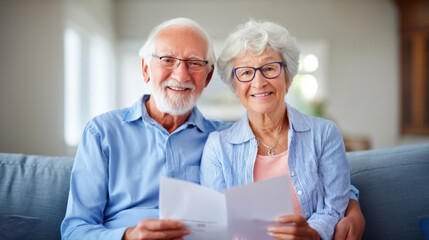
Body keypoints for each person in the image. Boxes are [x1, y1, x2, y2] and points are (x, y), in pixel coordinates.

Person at [61, 17, 364, 240]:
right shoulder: (102, 133)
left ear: (207, 79)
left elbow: (320, 178)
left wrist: (350, 206)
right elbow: (74, 229)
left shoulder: (217, 137)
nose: (181, 74)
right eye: (167, 60)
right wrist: (127, 236)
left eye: (194, 63)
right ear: (145, 69)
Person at [200, 20, 362, 240]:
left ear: (288, 78)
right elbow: (217, 225)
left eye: (269, 68)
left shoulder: (324, 134)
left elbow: (335, 208)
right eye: (246, 72)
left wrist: (311, 234)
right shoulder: (217, 147)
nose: (258, 82)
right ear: (234, 85)